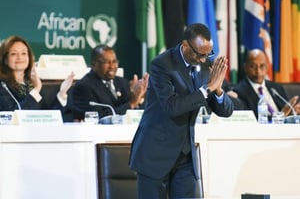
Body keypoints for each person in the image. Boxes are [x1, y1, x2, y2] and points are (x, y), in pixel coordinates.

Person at [129, 23, 234, 199]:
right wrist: (208, 88)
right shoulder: (162, 64)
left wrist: (218, 90)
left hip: (185, 157)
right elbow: (172, 107)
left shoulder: (206, 66)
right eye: (200, 54)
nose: (203, 59)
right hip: (155, 154)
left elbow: (226, 111)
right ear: (185, 45)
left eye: (208, 54)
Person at [70, 44, 149, 122]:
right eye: (106, 62)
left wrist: (140, 97)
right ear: (94, 65)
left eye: (114, 61)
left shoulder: (122, 82)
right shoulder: (84, 86)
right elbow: (97, 118)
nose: (112, 66)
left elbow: (135, 111)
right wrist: (131, 103)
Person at [0, 35, 74, 114]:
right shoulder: (3, 85)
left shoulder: (30, 84)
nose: (20, 57)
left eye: (24, 53)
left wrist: (62, 94)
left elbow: (46, 116)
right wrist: (36, 89)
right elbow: (14, 115)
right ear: (5, 59)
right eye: (13, 54)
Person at [233, 48, 300, 120]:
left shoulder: (276, 87)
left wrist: (293, 112)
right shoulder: (239, 91)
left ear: (267, 67)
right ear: (245, 67)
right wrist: (281, 116)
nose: (258, 71)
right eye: (253, 66)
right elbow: (252, 119)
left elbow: (286, 111)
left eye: (262, 66)